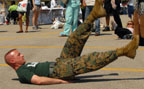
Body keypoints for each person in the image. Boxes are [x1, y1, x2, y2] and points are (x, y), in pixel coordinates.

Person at [5, 0, 139, 85]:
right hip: (59, 71)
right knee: (90, 59)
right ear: (12, 61)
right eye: (18, 55)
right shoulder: (22, 72)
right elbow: (38, 80)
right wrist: (60, 81)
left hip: (59, 63)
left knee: (73, 40)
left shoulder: (25, 66)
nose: (22, 55)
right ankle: (125, 51)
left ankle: (93, 15)